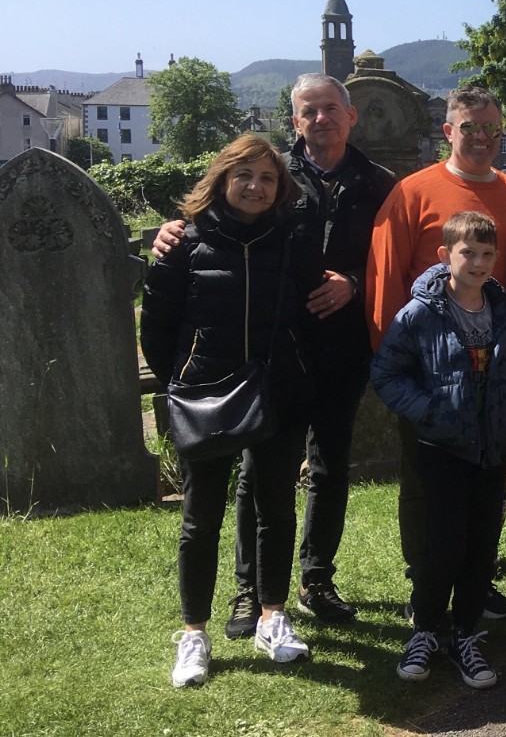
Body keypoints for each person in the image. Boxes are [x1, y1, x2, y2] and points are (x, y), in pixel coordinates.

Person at [151, 73, 395, 637]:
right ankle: (249, 592)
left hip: (338, 345)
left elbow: (393, 256)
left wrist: (355, 284)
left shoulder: (381, 183)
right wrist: (175, 233)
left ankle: (317, 577)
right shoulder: (276, 174)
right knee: (253, 473)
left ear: (350, 116)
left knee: (330, 465)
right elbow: (222, 227)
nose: (321, 120)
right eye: (309, 111)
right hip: (268, 347)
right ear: (296, 121)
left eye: (331, 109)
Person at [142, 135, 315, 687]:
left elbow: (311, 308)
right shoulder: (183, 244)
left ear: (280, 187)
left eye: (268, 178)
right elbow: (157, 328)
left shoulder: (292, 239)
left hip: (278, 392)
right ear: (221, 179)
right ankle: (194, 633)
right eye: (245, 175)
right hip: (205, 394)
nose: (256, 187)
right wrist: (181, 381)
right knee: (201, 520)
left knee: (276, 512)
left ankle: (272, 617)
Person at [366, 86, 506, 619]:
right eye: (470, 127)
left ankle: (476, 582)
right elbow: (384, 280)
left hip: (496, 381)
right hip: (431, 378)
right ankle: (426, 587)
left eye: (491, 127)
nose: (482, 137)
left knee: (492, 486)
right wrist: (398, 374)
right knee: (426, 488)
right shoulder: (412, 193)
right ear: (449, 131)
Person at [371, 211, 506, 689]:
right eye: (468, 253)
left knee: (482, 545)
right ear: (445, 256)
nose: (478, 263)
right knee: (443, 546)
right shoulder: (420, 314)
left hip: (491, 449)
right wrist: (430, 409)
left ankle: (465, 634)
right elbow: (387, 375)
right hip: (441, 448)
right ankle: (425, 630)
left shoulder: (504, 315)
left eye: (487, 254)